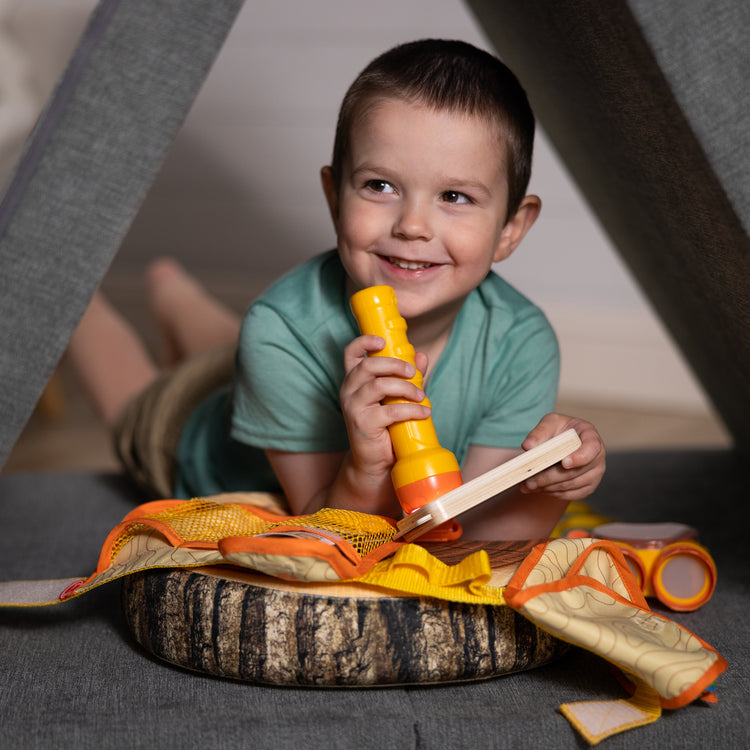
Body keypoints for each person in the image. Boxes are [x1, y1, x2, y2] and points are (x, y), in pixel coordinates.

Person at [69, 39, 605, 540]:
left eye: (456, 196)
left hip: (259, 367)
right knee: (137, 401)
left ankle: (173, 294)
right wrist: (363, 463)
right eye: (380, 186)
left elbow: (470, 526)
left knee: (229, 351)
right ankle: (81, 298)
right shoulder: (279, 330)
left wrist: (545, 481)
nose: (413, 225)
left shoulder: (521, 341)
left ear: (511, 228)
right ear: (334, 196)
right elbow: (325, 529)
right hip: (190, 432)